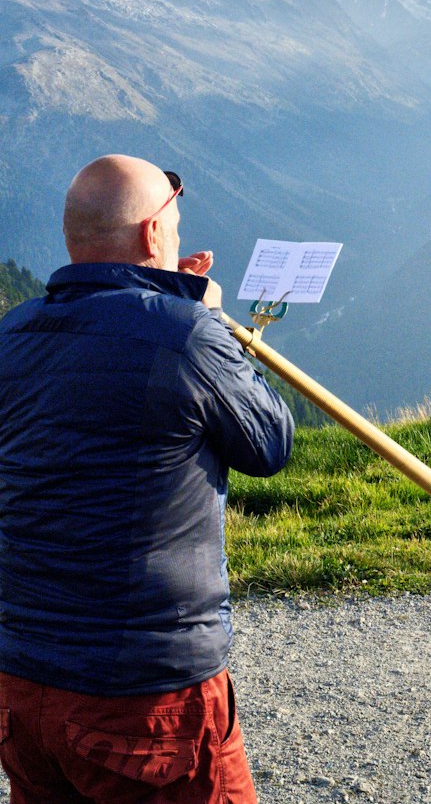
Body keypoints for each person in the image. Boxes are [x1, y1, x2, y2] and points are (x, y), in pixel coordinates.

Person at [0, 155, 295, 803]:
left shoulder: (11, 336)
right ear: (153, 234)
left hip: (22, 683)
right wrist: (213, 324)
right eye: (177, 225)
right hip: (146, 692)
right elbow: (270, 442)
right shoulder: (189, 333)